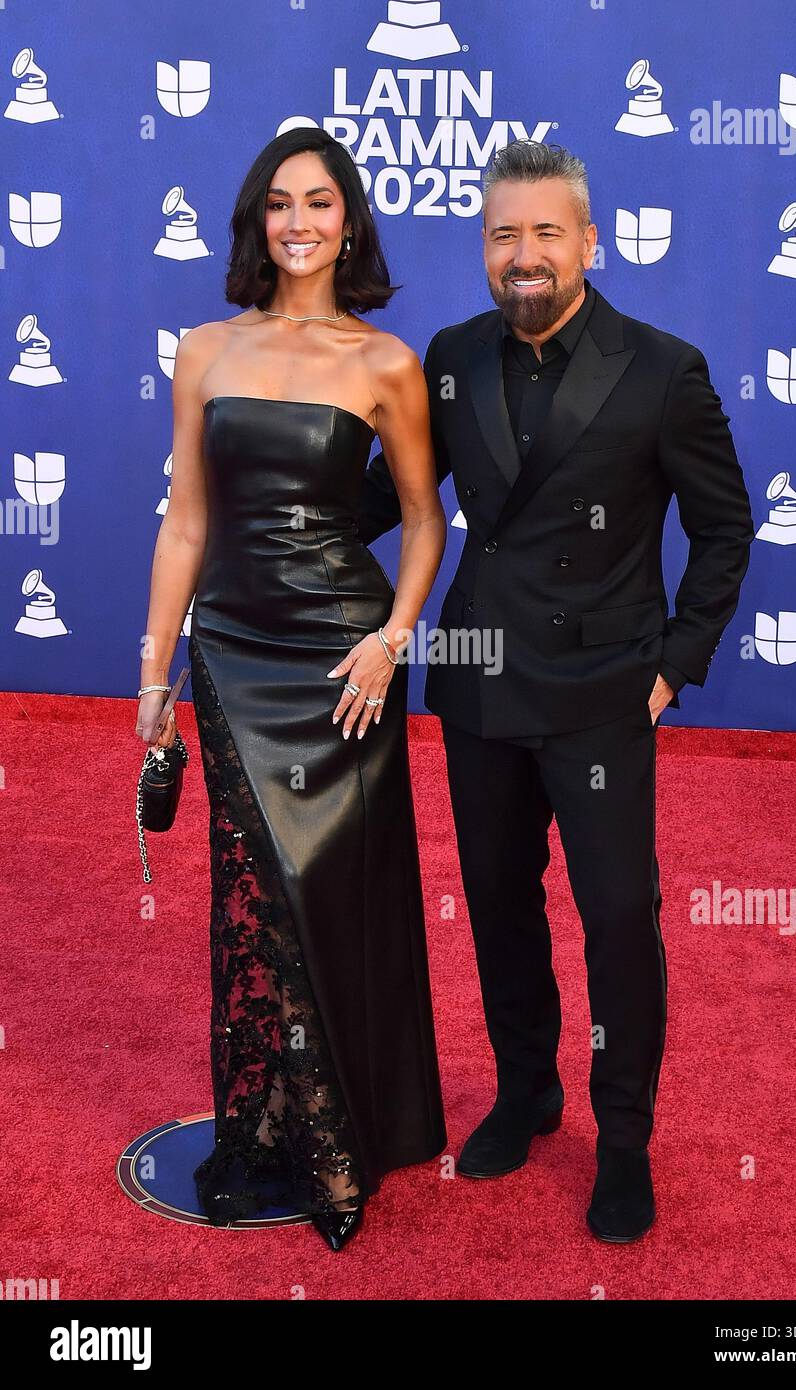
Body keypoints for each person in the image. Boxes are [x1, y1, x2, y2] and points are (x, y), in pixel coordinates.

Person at [357, 139, 755, 1242]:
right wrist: (280, 541)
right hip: (480, 682)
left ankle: (620, 1136)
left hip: (601, 690)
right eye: (501, 234)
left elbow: (724, 528)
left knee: (619, 919)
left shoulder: (660, 368)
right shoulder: (447, 357)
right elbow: (394, 497)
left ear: (588, 239)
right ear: (481, 249)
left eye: (542, 232)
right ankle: (526, 1090)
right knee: (495, 903)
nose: (521, 255)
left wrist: (674, 665)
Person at [136, 127, 448, 1252]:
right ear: (255, 221)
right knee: (254, 892)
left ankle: (345, 1136)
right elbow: (186, 519)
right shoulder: (206, 349)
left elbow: (421, 519)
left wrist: (393, 638)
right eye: (278, 203)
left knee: (335, 888)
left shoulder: (385, 362)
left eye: (318, 202)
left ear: (348, 220)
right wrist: (153, 667)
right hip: (229, 647)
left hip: (341, 660)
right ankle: (267, 1125)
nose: (298, 221)